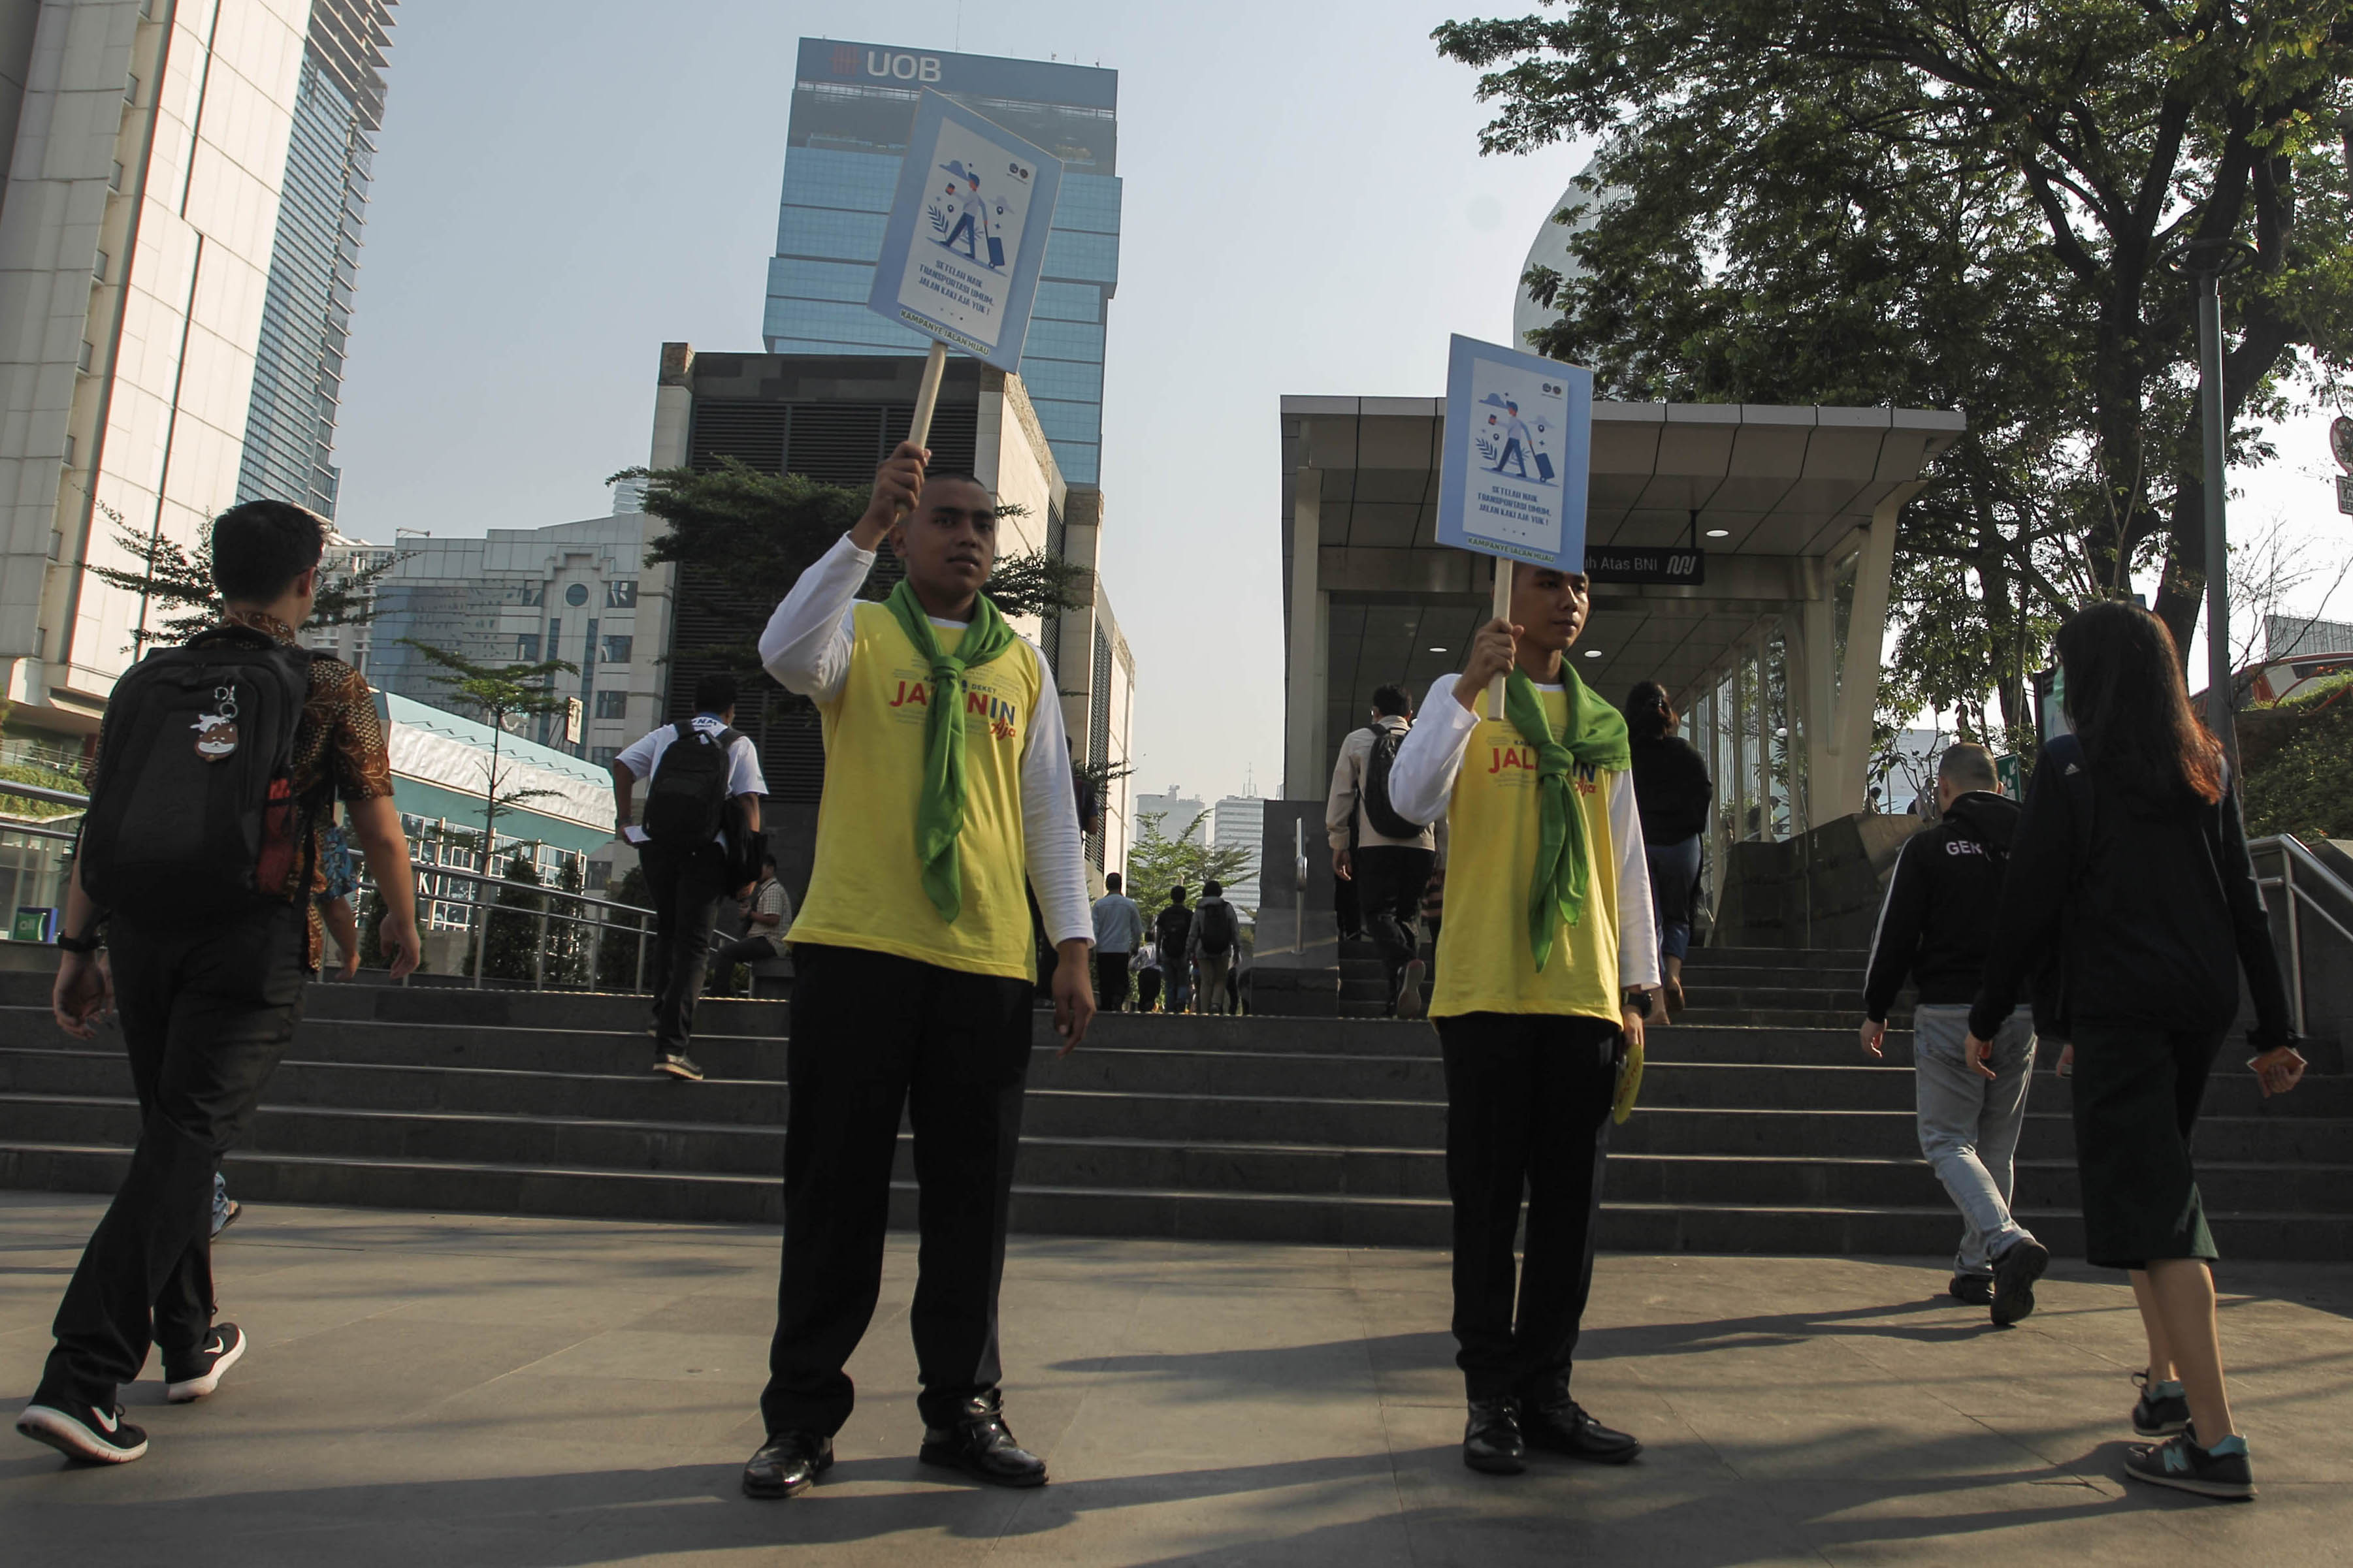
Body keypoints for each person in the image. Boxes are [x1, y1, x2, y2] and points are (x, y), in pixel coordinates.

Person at [18, 499, 422, 1467]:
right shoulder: (330, 684)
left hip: (145, 938)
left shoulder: (145, 682)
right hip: (251, 943)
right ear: (307, 582)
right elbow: (375, 820)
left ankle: (190, 1339)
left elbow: (99, 821)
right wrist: (397, 916)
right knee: (187, 1142)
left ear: (216, 573)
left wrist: (77, 947)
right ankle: (82, 1376)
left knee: (175, 1139)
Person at [744, 440, 1095, 1500]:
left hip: (984, 961)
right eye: (945, 518)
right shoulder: (858, 631)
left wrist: (1070, 945)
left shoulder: (1020, 666)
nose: (969, 536)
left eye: (983, 523)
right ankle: (801, 1418)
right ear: (903, 533)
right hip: (856, 950)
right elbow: (781, 652)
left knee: (969, 1204)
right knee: (833, 1196)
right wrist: (857, 529)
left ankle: (963, 1408)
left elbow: (1049, 814)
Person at [1968, 601, 2305, 1503]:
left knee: (2160, 1215)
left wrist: (1989, 1009)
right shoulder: (2202, 766)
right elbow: (2246, 902)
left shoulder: (2070, 767)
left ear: (2091, 680)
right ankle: (2162, 1385)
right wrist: (2274, 1028)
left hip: (2120, 1007)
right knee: (2158, 1188)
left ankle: (2216, 1439)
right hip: (2199, 1004)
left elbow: (2028, 901)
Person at [1386, 560, 1661, 1479]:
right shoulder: (1466, 698)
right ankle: (1488, 1397)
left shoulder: (1603, 726)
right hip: (1483, 993)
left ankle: (1547, 1388)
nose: (1569, 600)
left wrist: (1634, 988)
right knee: (1487, 1202)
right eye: (1549, 583)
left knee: (1567, 1211)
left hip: (1578, 994)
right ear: (1508, 596)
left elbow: (1623, 857)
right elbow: (1408, 798)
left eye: (1579, 586)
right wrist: (1465, 686)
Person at [1859, 743, 2048, 1320]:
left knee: (1946, 1141)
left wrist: (1877, 1006)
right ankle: (1976, 1271)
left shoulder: (1929, 847)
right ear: (1996, 783)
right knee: (1996, 1146)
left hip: (1948, 1011)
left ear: (1944, 790)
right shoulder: (2035, 842)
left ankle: (2005, 1242)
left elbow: (1897, 932)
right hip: (2021, 1013)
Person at [610, 673, 767, 1081]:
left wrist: (626, 820)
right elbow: (749, 802)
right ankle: (673, 1048)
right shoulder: (737, 743)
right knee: (695, 946)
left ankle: (660, 1017)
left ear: (694, 707)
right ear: (731, 709)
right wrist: (750, 869)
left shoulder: (668, 734)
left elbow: (622, 766)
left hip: (658, 849)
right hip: (706, 853)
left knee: (669, 931)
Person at [1327, 683, 1439, 1017]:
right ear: (1410, 714)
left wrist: (1339, 842)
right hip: (1422, 844)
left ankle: (1405, 964)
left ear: (1375, 712)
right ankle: (1396, 998)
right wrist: (1443, 850)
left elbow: (1342, 795)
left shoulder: (1358, 740)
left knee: (1377, 913)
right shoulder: (1427, 743)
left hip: (1376, 844)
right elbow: (1443, 798)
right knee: (1408, 917)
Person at [1622, 682, 1711, 1013]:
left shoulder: (1626, 756)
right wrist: (1687, 827)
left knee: (1649, 921)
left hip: (1643, 844)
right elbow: (1704, 792)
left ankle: (1657, 1006)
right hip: (1683, 847)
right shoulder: (1685, 753)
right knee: (1678, 917)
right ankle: (1674, 975)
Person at [711, 852, 794, 999]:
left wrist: (749, 914)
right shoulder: (767, 890)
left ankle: (719, 994)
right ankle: (725, 991)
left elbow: (773, 919)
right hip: (766, 940)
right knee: (730, 953)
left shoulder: (773, 890)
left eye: (760, 867)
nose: (756, 871)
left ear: (770, 869)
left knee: (726, 953)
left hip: (770, 941)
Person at [1186, 879, 1242, 1016]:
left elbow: (1194, 932)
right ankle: (1216, 1004)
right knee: (1220, 979)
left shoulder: (1200, 909)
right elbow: (1235, 929)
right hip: (1223, 949)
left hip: (1203, 949)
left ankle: (1205, 1011)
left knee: (1206, 981)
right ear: (1219, 892)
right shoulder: (1227, 908)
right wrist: (1237, 948)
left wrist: (1189, 949)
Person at [1091, 871, 1143, 1013]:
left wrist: (1093, 947)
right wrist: (1135, 945)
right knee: (1121, 979)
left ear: (1106, 885)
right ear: (1120, 885)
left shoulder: (1099, 905)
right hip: (1122, 949)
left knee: (1105, 980)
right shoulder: (1130, 905)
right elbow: (1137, 929)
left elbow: (1094, 929)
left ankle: (1107, 1006)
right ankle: (1118, 1000)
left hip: (1103, 949)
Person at [1154, 886, 1194, 1015]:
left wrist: (1157, 953)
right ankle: (1181, 1003)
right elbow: (1193, 935)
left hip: (1167, 952)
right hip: (1183, 953)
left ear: (1171, 897)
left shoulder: (1164, 914)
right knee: (1183, 981)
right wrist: (1190, 952)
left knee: (1170, 983)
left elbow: (1159, 935)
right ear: (1184, 897)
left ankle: (1170, 1008)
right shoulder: (1189, 915)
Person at [1133, 939, 1163, 1014]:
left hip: (1144, 974)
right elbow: (1164, 963)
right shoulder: (1159, 950)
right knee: (1152, 995)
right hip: (1155, 974)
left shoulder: (1142, 949)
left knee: (1143, 996)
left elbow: (1132, 964)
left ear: (1146, 939)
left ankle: (1142, 1013)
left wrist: (1140, 968)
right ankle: (1149, 1010)